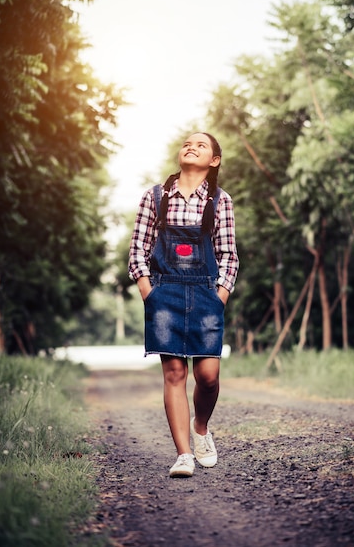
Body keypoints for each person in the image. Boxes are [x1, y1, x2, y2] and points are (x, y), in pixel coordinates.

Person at [128, 132, 239, 477]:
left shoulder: (220, 201)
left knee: (208, 376)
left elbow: (228, 257)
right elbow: (137, 252)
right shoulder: (156, 197)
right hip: (165, 294)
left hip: (207, 294)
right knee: (175, 373)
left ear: (214, 161)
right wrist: (151, 293)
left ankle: (201, 427)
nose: (192, 146)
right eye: (188, 143)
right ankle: (184, 455)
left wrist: (218, 298)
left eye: (201, 145)